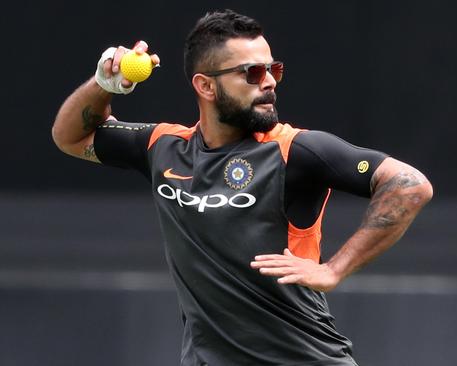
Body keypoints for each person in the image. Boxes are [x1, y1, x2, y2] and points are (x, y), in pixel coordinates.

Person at [52, 9, 433, 366]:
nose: (268, 82)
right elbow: (70, 137)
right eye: (251, 73)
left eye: (273, 70)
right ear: (205, 85)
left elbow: (410, 185)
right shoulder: (164, 148)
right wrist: (105, 84)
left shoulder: (295, 150)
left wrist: (334, 269)